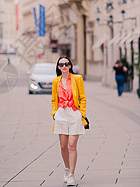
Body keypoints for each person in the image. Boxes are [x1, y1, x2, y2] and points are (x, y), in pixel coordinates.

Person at [51, 55, 87, 186]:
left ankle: (71, 175)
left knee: (72, 145)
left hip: (74, 114)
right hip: (61, 114)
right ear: (58, 67)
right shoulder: (56, 81)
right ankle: (66, 169)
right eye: (61, 64)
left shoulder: (77, 79)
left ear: (70, 66)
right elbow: (54, 100)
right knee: (63, 146)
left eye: (66, 64)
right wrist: (54, 113)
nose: (64, 66)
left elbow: (82, 97)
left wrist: (81, 114)